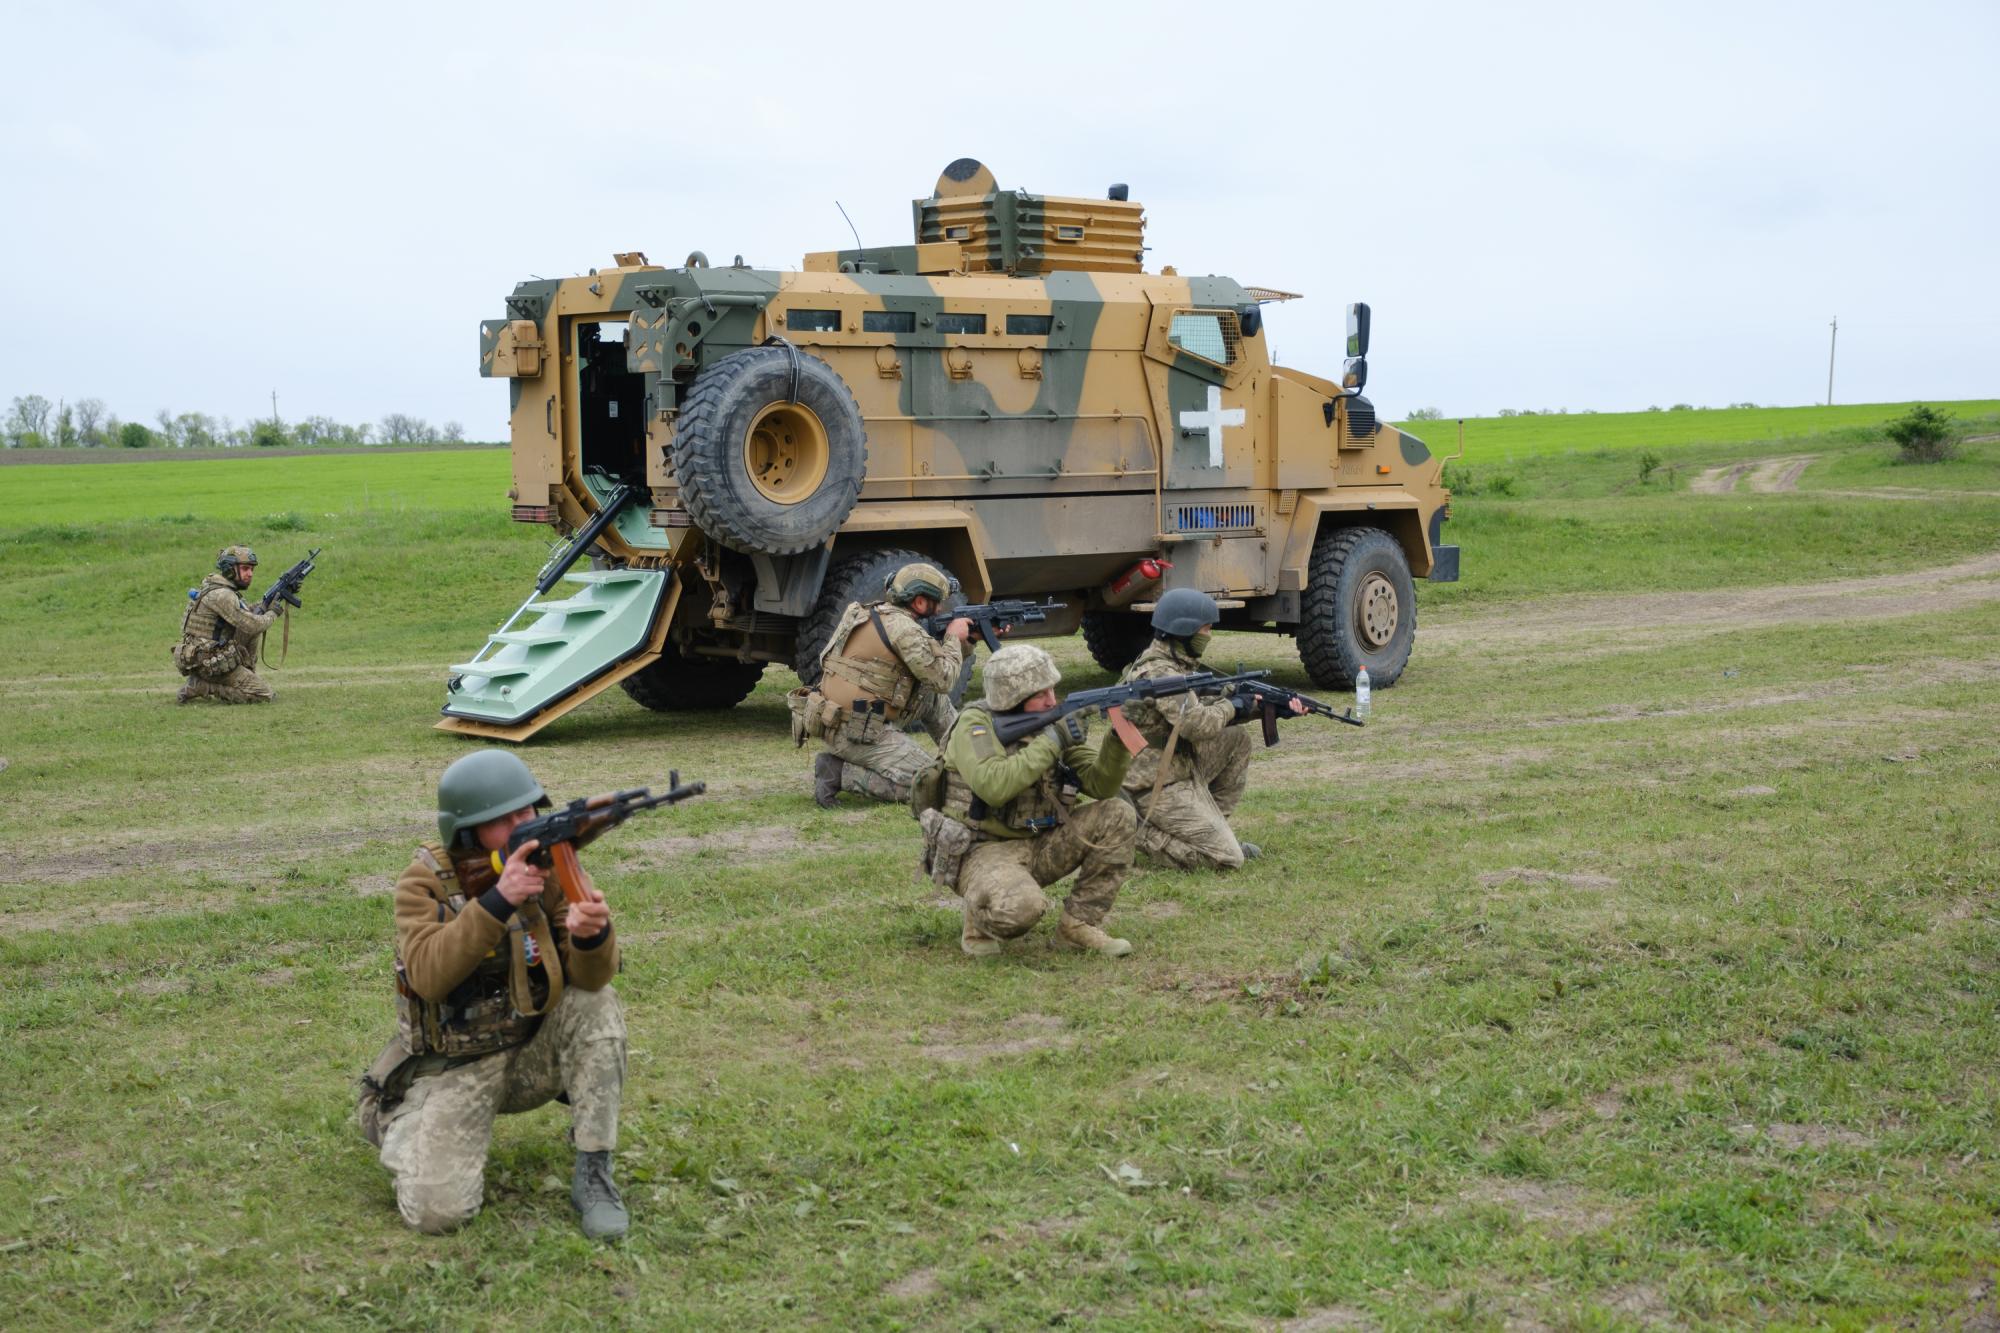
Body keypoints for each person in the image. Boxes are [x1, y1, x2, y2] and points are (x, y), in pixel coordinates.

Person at [357, 750, 630, 1240]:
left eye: (525, 813)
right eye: (499, 821)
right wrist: (498, 900)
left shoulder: (548, 871)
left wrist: (591, 936)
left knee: (598, 1003)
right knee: (438, 1213)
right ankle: (402, 1125)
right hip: (456, 1066)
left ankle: (594, 1172)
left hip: (528, 1051)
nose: (519, 826)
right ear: (466, 833)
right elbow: (428, 975)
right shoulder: (425, 883)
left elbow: (590, 979)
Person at [924, 643, 1140, 957]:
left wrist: (1118, 739)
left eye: (1053, 690)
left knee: (1118, 813)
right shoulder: (974, 725)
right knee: (1022, 909)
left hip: (1041, 841)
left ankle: (1077, 925)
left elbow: (1101, 785)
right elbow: (993, 785)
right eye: (1042, 694)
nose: (1053, 701)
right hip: (982, 850)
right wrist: (1053, 741)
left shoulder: (1050, 723)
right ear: (1013, 696)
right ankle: (980, 914)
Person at [1116, 588, 1302, 870]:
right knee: (1229, 859)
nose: (1209, 635)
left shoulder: (1175, 664)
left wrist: (1262, 707)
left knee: (1236, 739)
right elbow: (1197, 724)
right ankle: (1140, 835)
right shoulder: (1161, 674)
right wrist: (1234, 706)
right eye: (1205, 629)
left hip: (1177, 765)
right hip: (1154, 784)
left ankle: (1208, 833)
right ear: (1184, 631)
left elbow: (1205, 704)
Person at [792, 562, 970, 807]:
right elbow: (944, 678)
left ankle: (968, 759)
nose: (940, 609)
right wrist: (953, 637)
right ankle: (839, 773)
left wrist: (967, 641)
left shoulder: (872, 612)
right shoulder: (904, 629)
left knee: (931, 698)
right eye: (936, 602)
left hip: (847, 718)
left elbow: (931, 669)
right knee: (933, 787)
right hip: (855, 730)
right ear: (919, 602)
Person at [173, 545, 280, 704]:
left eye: (251, 569)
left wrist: (277, 597)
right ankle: (202, 686)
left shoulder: (221, 589)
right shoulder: (223, 595)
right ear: (230, 569)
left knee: (250, 629)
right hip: (209, 662)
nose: (250, 574)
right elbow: (252, 624)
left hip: (206, 655)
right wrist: (273, 613)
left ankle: (245, 676)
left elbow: (247, 614)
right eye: (245, 568)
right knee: (264, 695)